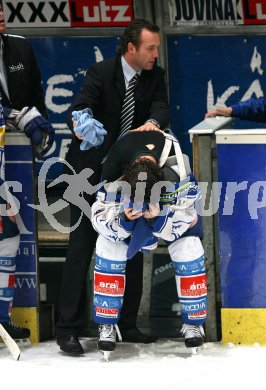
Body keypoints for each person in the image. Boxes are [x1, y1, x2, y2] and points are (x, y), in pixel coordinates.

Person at [56, 18, 170, 354]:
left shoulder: (155, 76)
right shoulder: (101, 73)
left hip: (129, 176)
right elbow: (80, 106)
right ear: (131, 48)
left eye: (157, 48)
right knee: (81, 246)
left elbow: (161, 107)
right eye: (150, 48)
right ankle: (68, 329)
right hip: (88, 172)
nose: (155, 54)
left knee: (131, 244)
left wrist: (153, 122)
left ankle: (126, 323)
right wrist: (80, 122)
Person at [90, 130, 207, 355]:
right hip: (125, 206)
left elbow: (188, 218)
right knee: (107, 245)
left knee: (189, 248)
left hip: (170, 211)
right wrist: (124, 219)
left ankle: (194, 323)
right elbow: (99, 220)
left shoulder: (177, 169)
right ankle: (106, 323)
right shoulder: (113, 171)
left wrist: (157, 217)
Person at [0, 1, 54, 343]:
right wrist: (8, 112)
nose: (1, 16)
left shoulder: (18, 45)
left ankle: (2, 318)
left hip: (8, 164)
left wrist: (35, 120)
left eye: (2, 10)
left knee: (9, 238)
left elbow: (33, 93)